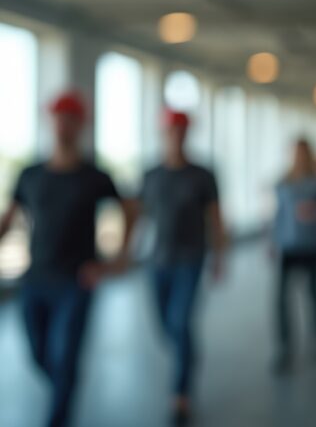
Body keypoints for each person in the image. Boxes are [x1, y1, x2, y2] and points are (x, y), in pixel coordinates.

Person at [0, 91, 137, 427]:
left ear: (80, 125)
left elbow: (130, 210)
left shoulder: (94, 176)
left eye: (70, 118)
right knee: (40, 354)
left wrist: (117, 258)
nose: (63, 125)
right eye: (58, 117)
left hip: (77, 280)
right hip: (35, 280)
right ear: (51, 122)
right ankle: (65, 384)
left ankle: (58, 417)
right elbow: (9, 218)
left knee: (66, 357)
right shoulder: (31, 174)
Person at [137, 110, 227, 425]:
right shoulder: (150, 174)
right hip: (156, 261)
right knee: (167, 327)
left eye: (180, 130)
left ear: (187, 134)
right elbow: (137, 215)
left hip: (190, 259)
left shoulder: (202, 174)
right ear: (163, 133)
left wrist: (220, 256)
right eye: (171, 130)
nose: (175, 135)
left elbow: (216, 217)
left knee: (180, 320)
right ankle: (187, 355)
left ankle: (181, 394)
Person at [271, 137, 316, 373]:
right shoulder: (283, 183)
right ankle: (284, 346)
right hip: (288, 246)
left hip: (311, 245)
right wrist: (271, 241)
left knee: (315, 294)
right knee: (281, 299)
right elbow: (278, 213)